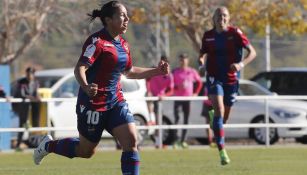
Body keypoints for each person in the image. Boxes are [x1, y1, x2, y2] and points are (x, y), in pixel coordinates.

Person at [33, 1, 170, 175]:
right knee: (86, 151)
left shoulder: (124, 45)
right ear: (108, 20)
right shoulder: (97, 41)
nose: (127, 19)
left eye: (127, 15)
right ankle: (49, 145)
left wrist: (156, 71)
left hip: (115, 102)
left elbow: (129, 71)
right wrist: (86, 86)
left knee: (131, 142)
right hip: (93, 104)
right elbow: (80, 68)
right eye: (122, 15)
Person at [198, 6, 256, 165]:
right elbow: (202, 53)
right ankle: (222, 151)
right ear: (213, 18)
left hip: (231, 79)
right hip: (214, 77)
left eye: (224, 16)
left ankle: (215, 122)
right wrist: (201, 64)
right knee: (219, 109)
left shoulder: (235, 33)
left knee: (224, 118)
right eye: (218, 16)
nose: (221, 18)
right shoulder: (207, 36)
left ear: (228, 18)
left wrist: (241, 65)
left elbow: (252, 52)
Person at [172, 53, 202, 148]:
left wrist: (196, 93)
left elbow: (199, 82)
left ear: (187, 60)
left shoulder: (192, 71)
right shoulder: (175, 71)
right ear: (179, 61)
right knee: (177, 118)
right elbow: (170, 84)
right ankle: (176, 140)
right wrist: (177, 87)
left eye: (185, 59)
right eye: (181, 59)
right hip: (178, 98)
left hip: (188, 99)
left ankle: (183, 141)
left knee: (186, 119)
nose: (183, 61)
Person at [146, 55, 174, 148]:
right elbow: (148, 80)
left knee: (159, 121)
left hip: (160, 100)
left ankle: (158, 142)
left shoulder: (169, 76)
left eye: (165, 63)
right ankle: (150, 119)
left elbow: (171, 90)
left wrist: (164, 95)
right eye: (162, 62)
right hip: (152, 97)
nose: (163, 65)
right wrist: (149, 90)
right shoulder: (155, 71)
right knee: (149, 98)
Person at [13, 67, 41, 150]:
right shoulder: (21, 82)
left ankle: (36, 143)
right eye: (28, 74)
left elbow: (36, 93)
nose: (29, 76)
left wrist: (38, 97)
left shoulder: (36, 82)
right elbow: (21, 94)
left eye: (31, 74)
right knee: (23, 123)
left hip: (32, 105)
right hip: (22, 106)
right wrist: (32, 97)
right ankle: (18, 144)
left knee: (36, 122)